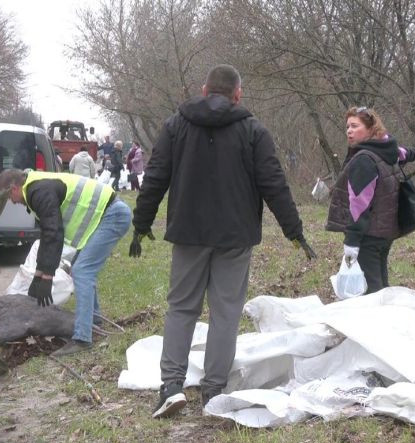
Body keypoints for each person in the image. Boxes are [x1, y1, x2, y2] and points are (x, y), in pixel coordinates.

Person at [129, 64, 316, 419]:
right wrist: (293, 231)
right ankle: (213, 390)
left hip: (189, 232)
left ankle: (171, 386)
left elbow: (155, 177)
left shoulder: (176, 125)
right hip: (235, 235)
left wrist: (141, 223)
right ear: (237, 95)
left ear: (204, 91)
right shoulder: (253, 130)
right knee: (225, 312)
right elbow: (274, 184)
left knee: (181, 308)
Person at [0, 169, 131, 356]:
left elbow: (54, 233)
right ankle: (94, 320)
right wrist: (38, 275)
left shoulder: (38, 192)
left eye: (9, 197)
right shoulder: (34, 189)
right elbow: (46, 236)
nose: (12, 202)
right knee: (80, 269)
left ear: (13, 188)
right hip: (105, 215)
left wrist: (48, 277)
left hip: (112, 216)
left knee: (82, 271)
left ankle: (82, 338)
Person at [325, 106, 415, 293]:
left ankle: (381, 312)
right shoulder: (385, 151)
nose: (349, 131)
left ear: (371, 129)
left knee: (372, 293)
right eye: (347, 127)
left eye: (355, 126)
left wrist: (352, 241)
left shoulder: (364, 160)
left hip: (368, 235)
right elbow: (402, 153)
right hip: (385, 232)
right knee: (381, 285)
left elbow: (359, 205)